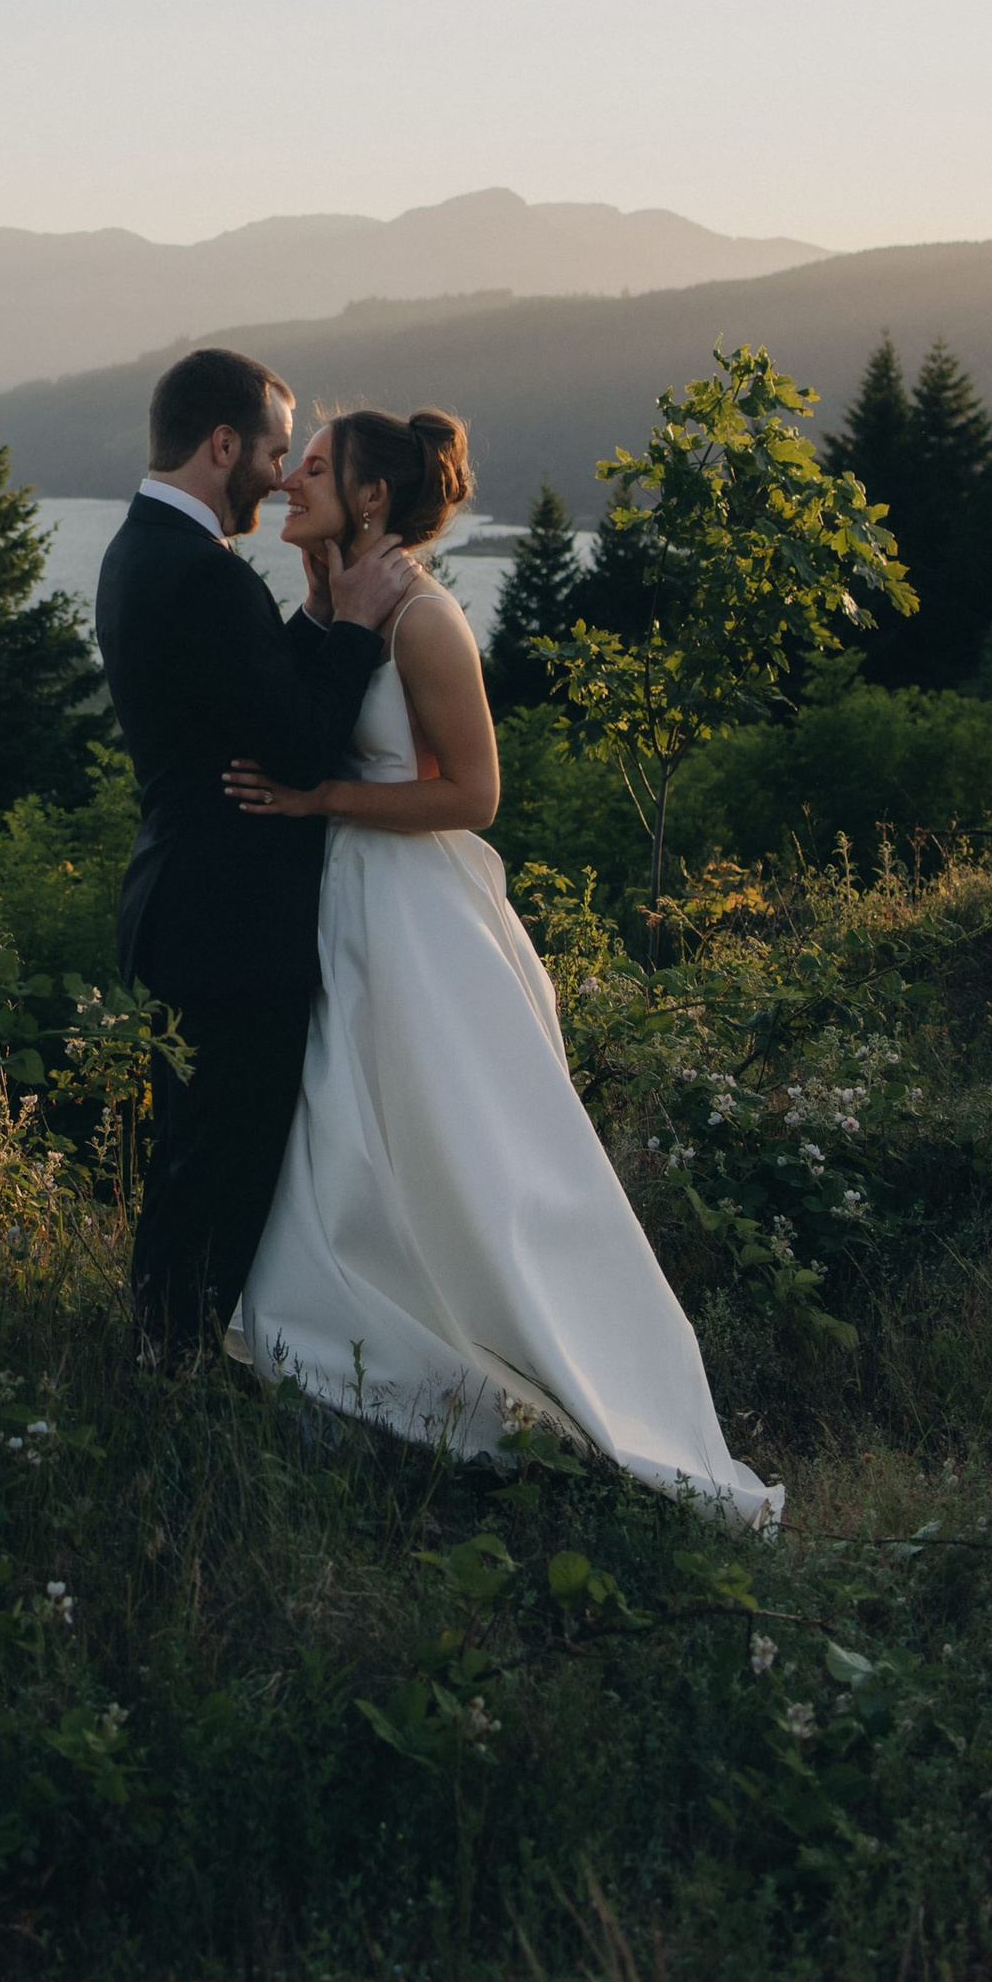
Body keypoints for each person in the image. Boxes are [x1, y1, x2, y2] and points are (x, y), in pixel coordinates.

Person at [224, 406, 780, 1531]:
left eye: (315, 467)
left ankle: (526, 1382)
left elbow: (473, 796)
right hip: (337, 905)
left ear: (372, 497)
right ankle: (349, 1373)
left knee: (456, 1159)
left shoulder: (424, 619)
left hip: (415, 919)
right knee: (337, 1149)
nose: (289, 479)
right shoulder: (329, 605)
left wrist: (323, 797)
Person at [93, 348, 414, 1363]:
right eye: (275, 451)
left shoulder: (140, 550)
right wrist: (358, 624)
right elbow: (301, 745)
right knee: (218, 1169)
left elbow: (247, 695)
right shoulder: (203, 576)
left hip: (183, 903)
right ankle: (172, 1369)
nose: (281, 476)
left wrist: (317, 614)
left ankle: (164, 1356)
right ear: (220, 443)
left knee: (190, 1159)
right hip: (232, 925)